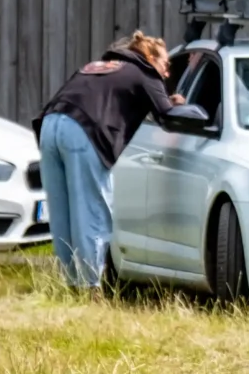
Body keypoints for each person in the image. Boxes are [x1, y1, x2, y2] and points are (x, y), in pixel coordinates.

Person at [34, 31, 190, 294]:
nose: (167, 70)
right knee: (92, 210)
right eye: (165, 62)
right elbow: (166, 114)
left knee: (62, 212)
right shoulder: (144, 71)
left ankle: (71, 285)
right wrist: (180, 103)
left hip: (50, 125)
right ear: (150, 57)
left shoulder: (97, 66)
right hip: (83, 132)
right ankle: (92, 289)